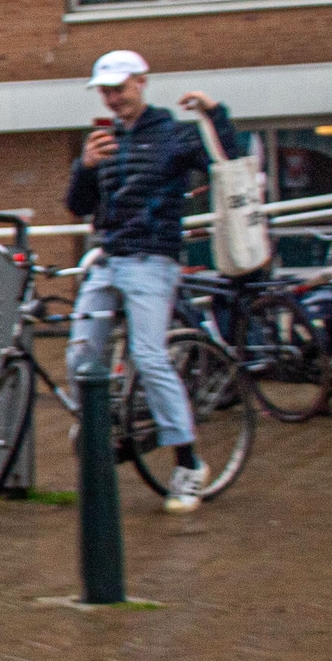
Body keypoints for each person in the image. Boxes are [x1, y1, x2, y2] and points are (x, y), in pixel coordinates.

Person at [64, 48, 236, 513]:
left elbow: (227, 158)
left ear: (141, 83)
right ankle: (105, 427)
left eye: (119, 89)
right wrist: (86, 166)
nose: (112, 99)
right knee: (80, 351)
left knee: (148, 354)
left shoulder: (174, 136)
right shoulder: (103, 140)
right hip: (108, 257)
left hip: (151, 259)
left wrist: (214, 115)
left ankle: (189, 463)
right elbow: (77, 205)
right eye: (105, 92)